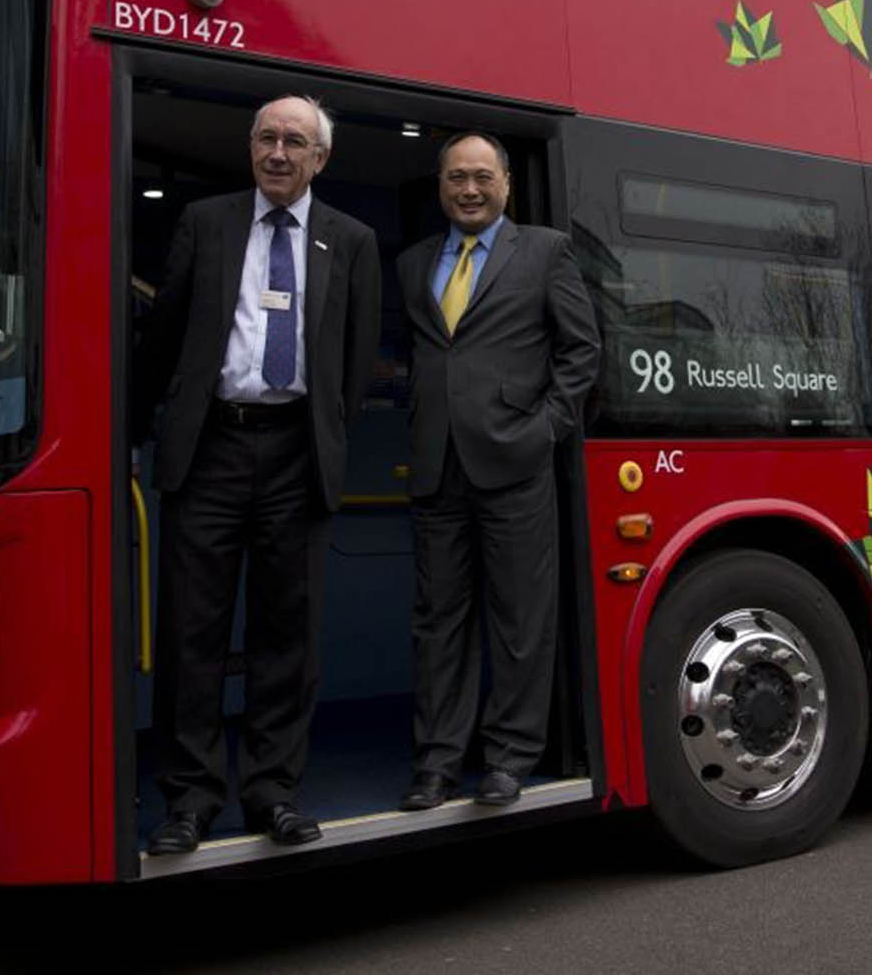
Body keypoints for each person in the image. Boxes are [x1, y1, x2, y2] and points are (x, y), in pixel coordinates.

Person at [139, 95, 381, 853]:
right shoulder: (205, 224)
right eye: (267, 138)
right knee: (192, 634)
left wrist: (324, 444)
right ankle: (190, 798)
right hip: (209, 447)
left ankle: (273, 792)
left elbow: (353, 364)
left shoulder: (353, 241)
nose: (279, 153)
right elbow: (162, 338)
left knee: (288, 637)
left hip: (295, 452)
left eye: (295, 142)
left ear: (321, 159)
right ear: (251, 147)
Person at [396, 131, 600, 809]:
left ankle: (510, 757)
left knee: (520, 620)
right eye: (457, 177)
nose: (470, 189)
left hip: (516, 464)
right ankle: (437, 763)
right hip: (435, 467)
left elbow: (581, 351)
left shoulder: (544, 251)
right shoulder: (412, 263)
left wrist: (543, 429)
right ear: (441, 187)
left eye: (483, 176)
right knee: (438, 621)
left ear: (507, 184)